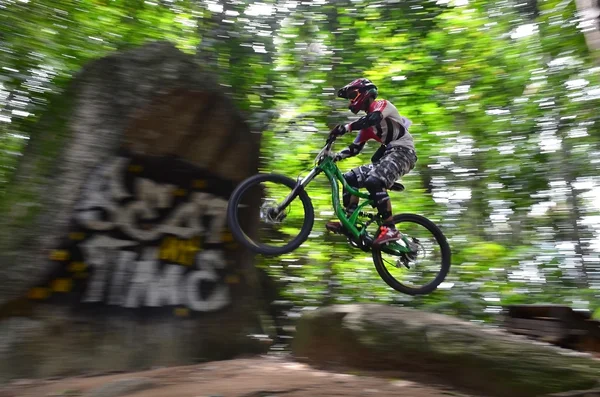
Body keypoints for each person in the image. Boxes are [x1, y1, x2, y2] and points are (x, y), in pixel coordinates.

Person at [325, 78, 418, 247]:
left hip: (404, 153)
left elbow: (373, 118)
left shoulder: (382, 105)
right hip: (387, 156)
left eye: (353, 95)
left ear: (366, 93)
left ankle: (390, 228)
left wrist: (345, 128)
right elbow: (354, 149)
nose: (352, 100)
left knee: (373, 181)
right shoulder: (366, 127)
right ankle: (350, 222)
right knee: (349, 179)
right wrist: (333, 156)